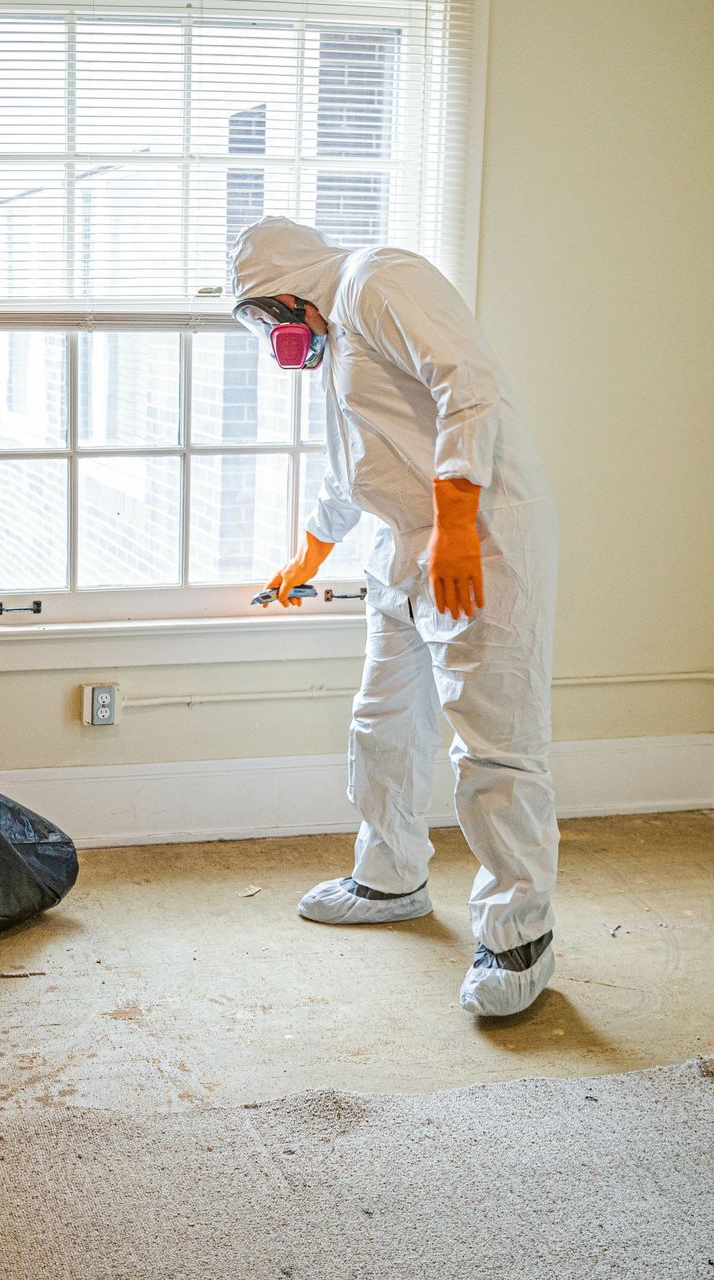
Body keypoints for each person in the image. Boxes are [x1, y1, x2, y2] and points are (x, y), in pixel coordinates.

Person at [231, 216, 560, 1017]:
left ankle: (520, 937)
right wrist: (309, 557)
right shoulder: (338, 336)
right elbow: (357, 467)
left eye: (270, 315)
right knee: (383, 721)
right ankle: (389, 879)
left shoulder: (379, 280)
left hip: (478, 534)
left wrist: (454, 527)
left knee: (494, 743)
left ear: (290, 287)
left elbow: (467, 384)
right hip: (404, 542)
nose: (276, 334)